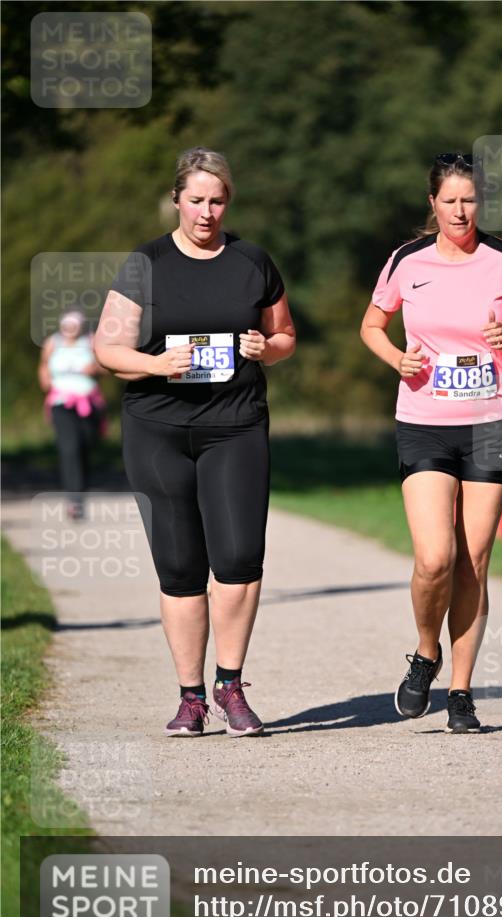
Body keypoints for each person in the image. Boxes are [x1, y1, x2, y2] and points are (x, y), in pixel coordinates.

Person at [94, 147, 296, 738]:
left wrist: (267, 348)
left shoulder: (252, 261)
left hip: (235, 426)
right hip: (158, 429)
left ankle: (231, 686)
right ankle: (190, 698)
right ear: (177, 199)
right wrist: (157, 364)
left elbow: (284, 335)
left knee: (237, 560)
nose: (207, 212)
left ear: (227, 202)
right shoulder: (145, 263)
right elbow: (108, 350)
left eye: (218, 201)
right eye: (197, 200)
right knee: (180, 568)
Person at [360, 152, 502, 733]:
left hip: (493, 421)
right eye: (450, 200)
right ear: (432, 203)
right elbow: (372, 324)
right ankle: (425, 652)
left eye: (470, 200)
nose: (461, 211)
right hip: (424, 417)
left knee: (472, 564)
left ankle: (461, 691)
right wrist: (396, 357)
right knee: (434, 557)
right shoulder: (406, 261)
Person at [38, 308, 106, 519]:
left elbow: (108, 366)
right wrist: (45, 380)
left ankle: (80, 491)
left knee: (85, 445)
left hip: (87, 402)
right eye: (66, 326)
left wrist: (95, 368)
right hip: (61, 403)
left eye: (73, 325)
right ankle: (74, 500)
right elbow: (43, 366)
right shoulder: (53, 342)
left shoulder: (91, 341)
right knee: (69, 448)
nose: (69, 329)